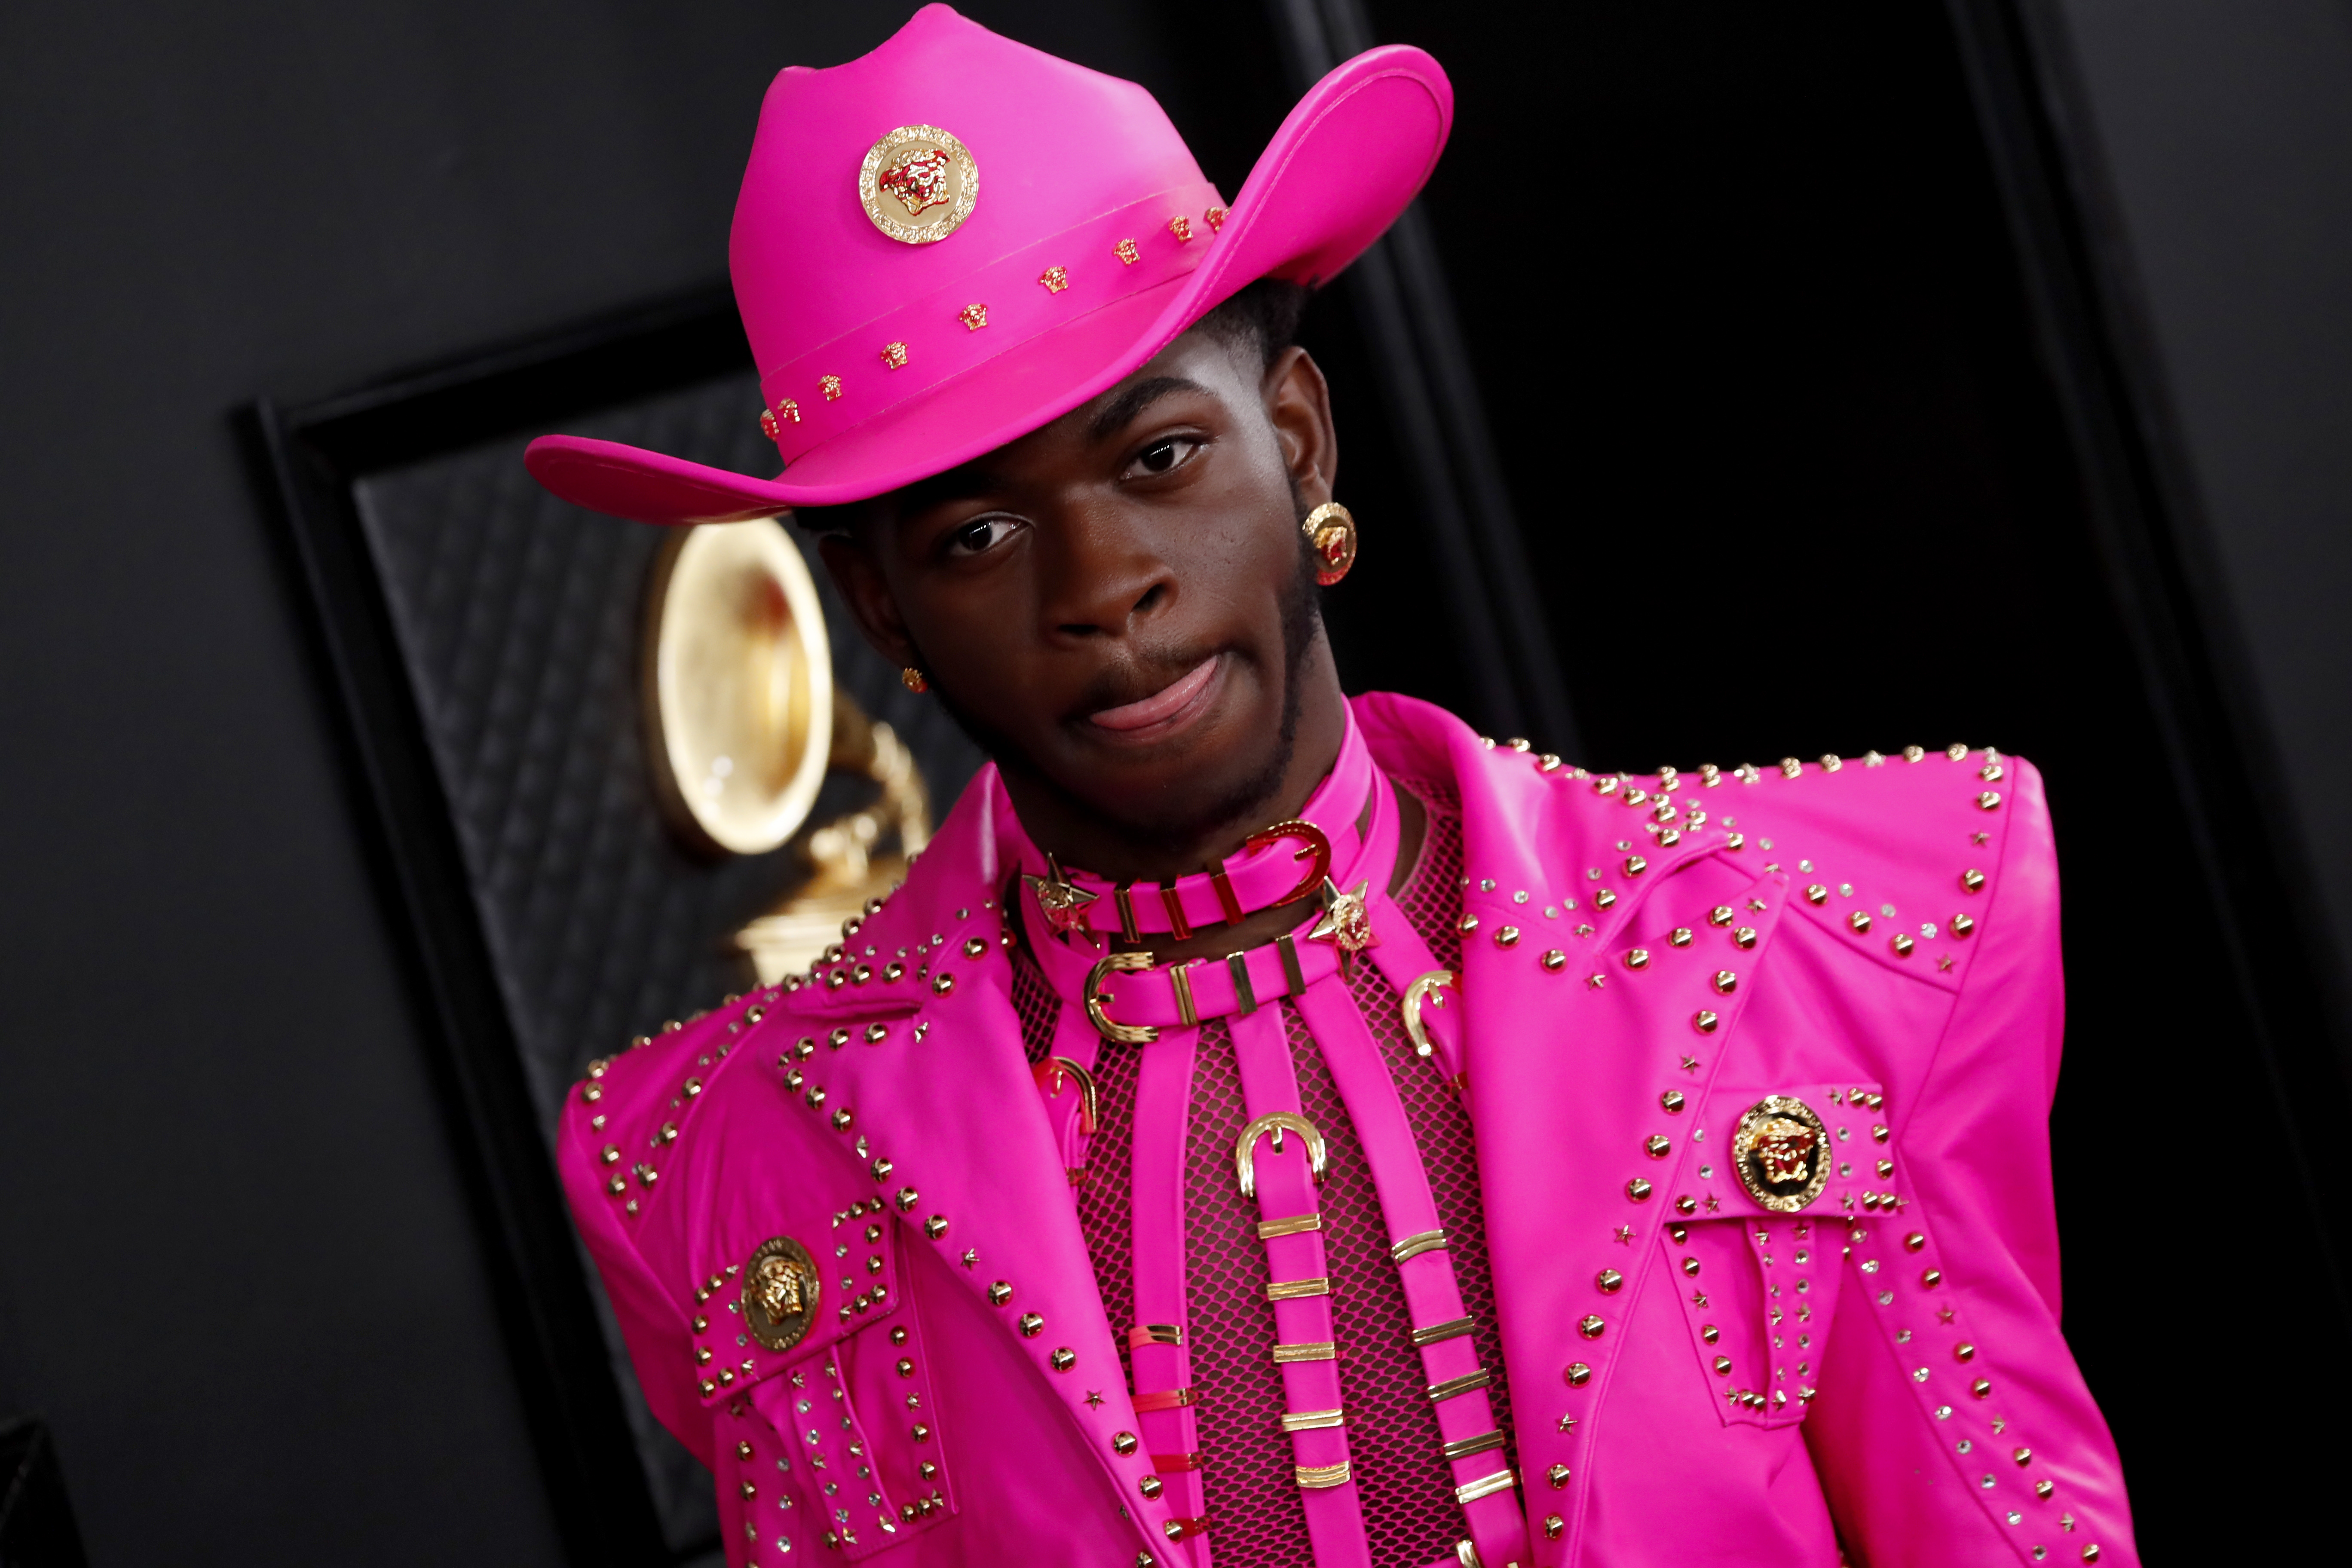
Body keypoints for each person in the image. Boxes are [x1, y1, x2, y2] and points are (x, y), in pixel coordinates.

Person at [527, 7, 2137, 1564]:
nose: (1104, 585)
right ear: (885, 616)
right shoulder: (719, 1164)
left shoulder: (1828, 946)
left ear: (1297, 442)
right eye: (978, 539)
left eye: (1159, 458)